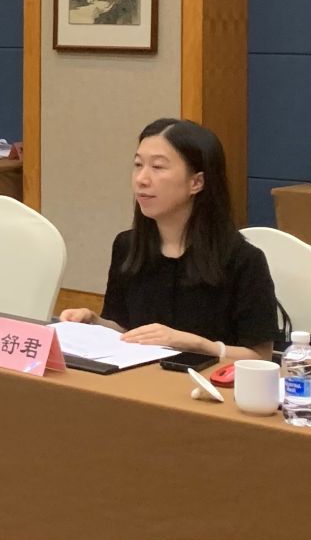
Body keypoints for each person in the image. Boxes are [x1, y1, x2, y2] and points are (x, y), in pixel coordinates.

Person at [60, 117, 276, 360]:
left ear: (196, 182)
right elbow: (127, 330)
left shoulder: (243, 260)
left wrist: (199, 345)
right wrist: (94, 323)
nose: (141, 179)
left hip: (208, 381)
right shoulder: (127, 246)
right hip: (140, 377)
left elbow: (261, 356)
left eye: (158, 167)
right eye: (138, 165)